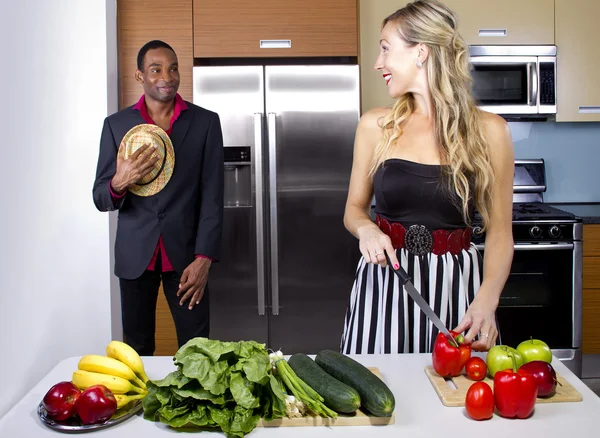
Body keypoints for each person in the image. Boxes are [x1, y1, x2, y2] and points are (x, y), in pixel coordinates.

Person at [340, 0, 514, 355]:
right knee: (378, 398)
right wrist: (368, 229)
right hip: (385, 285)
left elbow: (500, 234)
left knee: (453, 400)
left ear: (421, 52)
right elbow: (354, 209)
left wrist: (486, 302)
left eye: (386, 49)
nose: (378, 63)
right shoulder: (376, 126)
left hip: (457, 289)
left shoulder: (490, 131)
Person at [93, 40, 224, 355]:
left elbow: (213, 196)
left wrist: (204, 258)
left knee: (198, 351)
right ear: (140, 76)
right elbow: (100, 197)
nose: (167, 76)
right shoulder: (117, 126)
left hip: (188, 257)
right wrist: (119, 182)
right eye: (156, 69)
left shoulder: (205, 123)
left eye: (173, 68)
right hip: (135, 255)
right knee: (136, 350)